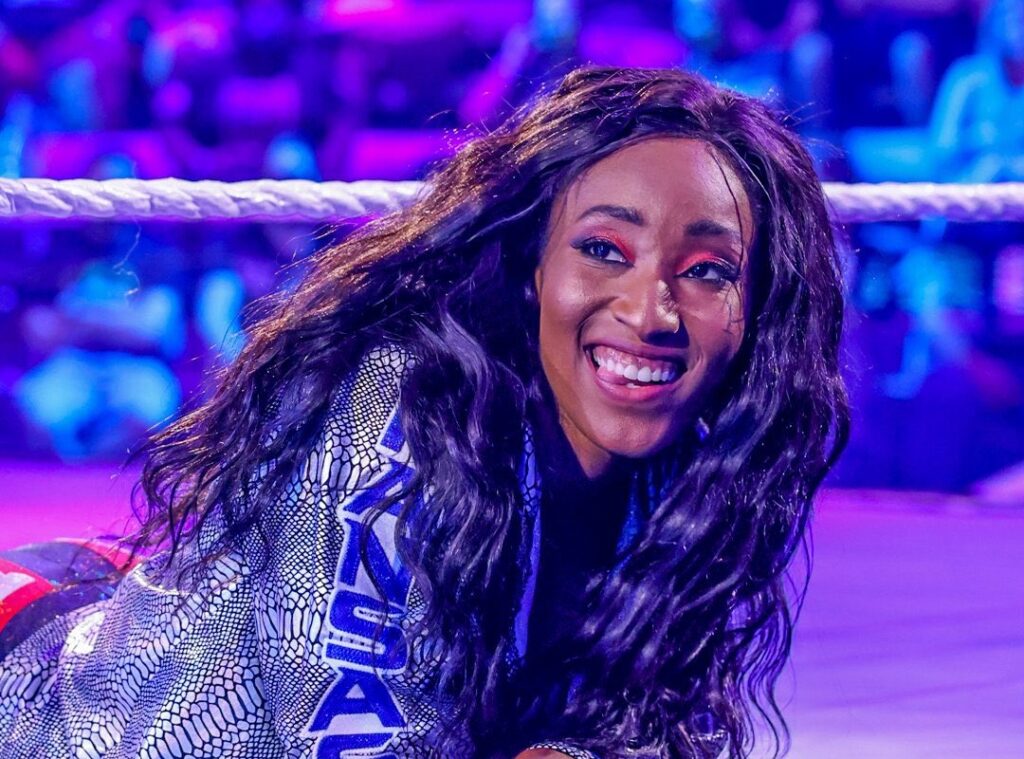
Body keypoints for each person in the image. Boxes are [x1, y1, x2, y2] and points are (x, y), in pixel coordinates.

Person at [0, 66, 848, 759]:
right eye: (602, 250)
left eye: (706, 271)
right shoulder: (404, 396)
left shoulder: (689, 470)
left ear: (756, 310)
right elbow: (344, 737)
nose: (650, 310)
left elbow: (650, 723)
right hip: (52, 706)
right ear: (531, 265)